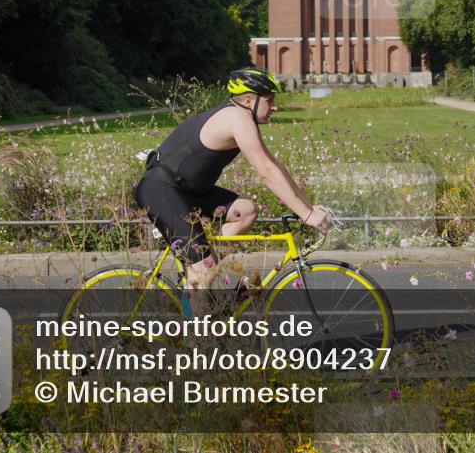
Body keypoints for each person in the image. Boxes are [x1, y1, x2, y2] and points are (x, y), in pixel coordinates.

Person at [134, 67, 330, 293]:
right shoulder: (237, 118)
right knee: (204, 270)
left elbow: (275, 167)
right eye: (269, 100)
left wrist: (308, 208)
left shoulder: (243, 117)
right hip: (161, 190)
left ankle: (202, 272)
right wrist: (307, 215)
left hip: (189, 191)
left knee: (245, 211)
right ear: (248, 100)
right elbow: (266, 173)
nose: (274, 106)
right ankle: (198, 292)